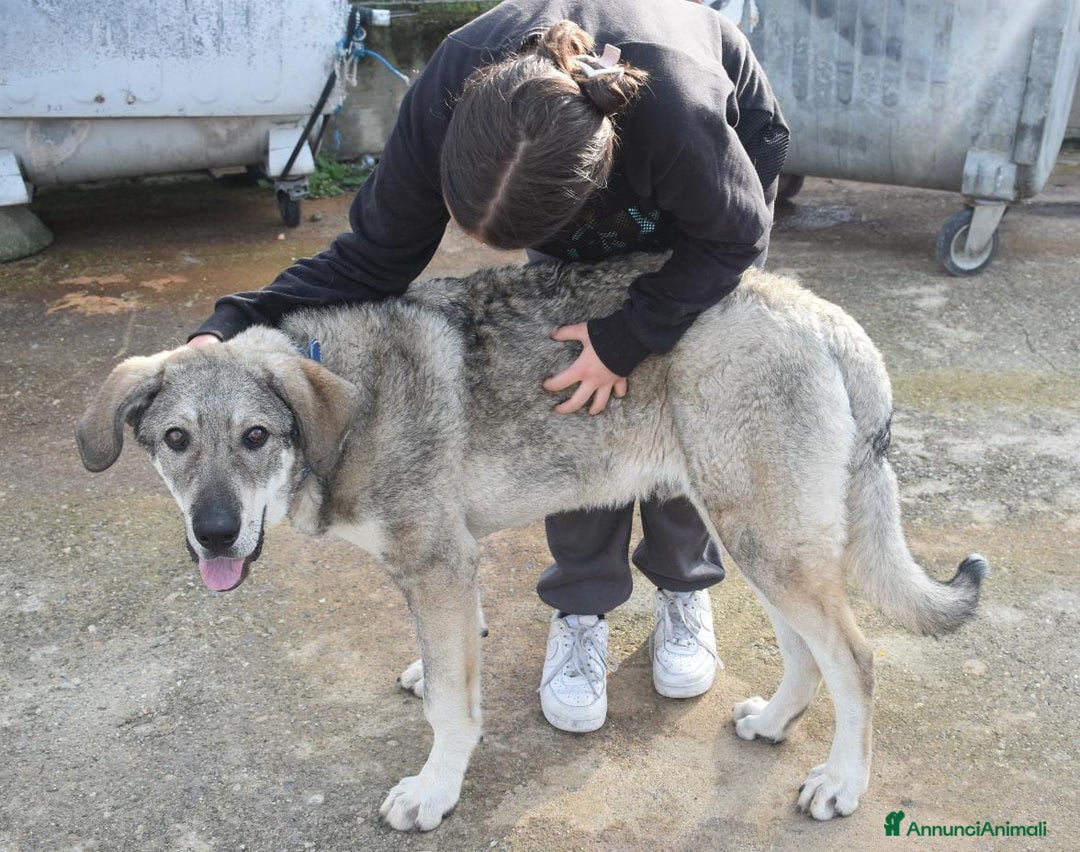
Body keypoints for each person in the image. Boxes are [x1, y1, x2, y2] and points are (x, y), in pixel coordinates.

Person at [188, 0, 788, 733]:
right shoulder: (444, 92)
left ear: (584, 190)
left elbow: (734, 237)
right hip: (568, 174)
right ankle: (582, 604)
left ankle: (682, 582)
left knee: (676, 385)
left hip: (711, 178)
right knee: (571, 383)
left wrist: (630, 335)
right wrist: (233, 320)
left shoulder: (676, 110)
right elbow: (370, 260)